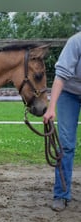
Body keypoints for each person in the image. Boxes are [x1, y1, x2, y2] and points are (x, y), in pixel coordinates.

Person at [43, 31, 81, 212]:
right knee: (66, 144)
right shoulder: (76, 42)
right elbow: (60, 76)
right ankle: (61, 194)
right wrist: (51, 108)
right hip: (69, 93)